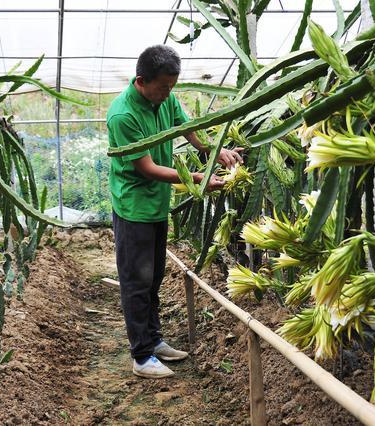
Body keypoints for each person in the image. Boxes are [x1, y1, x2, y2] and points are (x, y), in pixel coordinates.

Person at [107, 45, 243, 379]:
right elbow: (147, 168)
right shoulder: (123, 115)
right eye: (164, 87)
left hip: (156, 204)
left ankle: (153, 341)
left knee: (152, 278)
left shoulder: (164, 97)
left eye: (172, 86)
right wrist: (198, 178)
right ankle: (140, 356)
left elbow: (187, 127)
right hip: (133, 207)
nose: (170, 93)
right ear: (142, 81)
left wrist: (214, 149)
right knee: (136, 282)